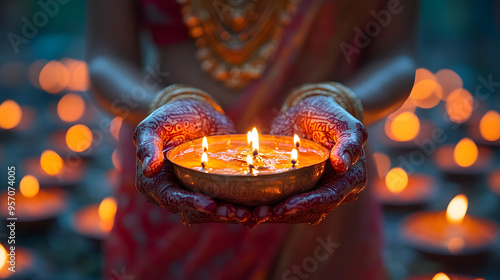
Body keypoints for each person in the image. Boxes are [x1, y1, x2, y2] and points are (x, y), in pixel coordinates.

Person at [87, 0, 417, 279]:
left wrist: (339, 101)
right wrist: (162, 107)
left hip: (324, 159)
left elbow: (394, 56)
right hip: (170, 155)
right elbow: (107, 57)